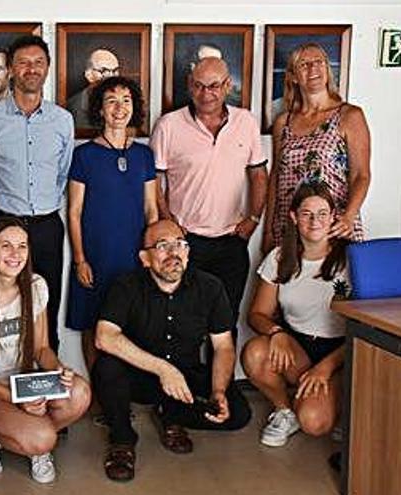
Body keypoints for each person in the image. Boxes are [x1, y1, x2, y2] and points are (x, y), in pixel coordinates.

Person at [92, 220, 251, 481]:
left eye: (179, 245)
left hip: (184, 380)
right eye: (162, 246)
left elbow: (223, 346)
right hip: (141, 376)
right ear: (145, 258)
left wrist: (219, 390)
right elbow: (104, 337)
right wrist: (163, 369)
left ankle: (171, 415)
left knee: (237, 413)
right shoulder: (127, 285)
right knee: (107, 368)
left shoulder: (210, 287)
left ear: (188, 252)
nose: (173, 253)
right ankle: (122, 440)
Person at [0, 217, 91, 484]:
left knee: (80, 393)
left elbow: (41, 348)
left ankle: (23, 435)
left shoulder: (36, 286)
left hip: (24, 381)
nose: (15, 254)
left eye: (22, 246)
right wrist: (13, 399)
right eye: (6, 246)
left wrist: (57, 369)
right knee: (44, 439)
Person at [152, 56, 268, 341]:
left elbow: (259, 175)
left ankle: (222, 386)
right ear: (190, 86)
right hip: (186, 242)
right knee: (182, 320)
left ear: (228, 85)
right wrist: (168, 221)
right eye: (199, 86)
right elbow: (154, 181)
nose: (207, 94)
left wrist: (254, 219)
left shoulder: (246, 122)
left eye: (214, 86)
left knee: (225, 321)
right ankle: (186, 384)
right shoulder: (169, 125)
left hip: (231, 240)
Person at [0, 35, 75, 353]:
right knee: (2, 304)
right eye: (23, 62)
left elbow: (62, 175)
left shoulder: (63, 120)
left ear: (47, 69)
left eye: (38, 62)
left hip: (46, 226)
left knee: (48, 301)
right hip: (2, 224)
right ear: (11, 70)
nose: (32, 69)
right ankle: (2, 377)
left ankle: (47, 375)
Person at [243, 182, 350, 448]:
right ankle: (284, 410)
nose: (315, 221)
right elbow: (257, 314)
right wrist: (276, 332)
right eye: (306, 213)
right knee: (255, 352)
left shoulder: (351, 259)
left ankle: (336, 405)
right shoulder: (279, 257)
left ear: (334, 217)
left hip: (341, 352)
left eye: (322, 213)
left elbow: (366, 331)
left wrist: (325, 368)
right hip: (297, 346)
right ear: (294, 216)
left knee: (314, 422)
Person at [66, 76, 158, 371]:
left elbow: (151, 209)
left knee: (132, 322)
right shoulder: (84, 155)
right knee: (92, 324)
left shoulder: (144, 155)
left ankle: (125, 393)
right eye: (111, 101)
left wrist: (151, 255)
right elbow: (74, 212)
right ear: (100, 110)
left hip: (134, 256)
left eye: (126, 101)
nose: (120, 108)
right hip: (95, 255)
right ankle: (98, 394)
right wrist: (80, 259)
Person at [263, 42, 371, 255]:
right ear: (294, 76)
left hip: (334, 226)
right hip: (289, 226)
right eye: (304, 65)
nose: (313, 69)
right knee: (289, 286)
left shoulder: (349, 116)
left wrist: (348, 216)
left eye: (318, 62)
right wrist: (268, 231)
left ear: (327, 70)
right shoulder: (283, 122)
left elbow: (362, 175)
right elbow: (276, 177)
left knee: (336, 286)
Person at [65, 48, 120, 129]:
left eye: (115, 71)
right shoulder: (70, 109)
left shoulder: (125, 105)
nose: (111, 76)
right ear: (89, 75)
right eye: (104, 71)